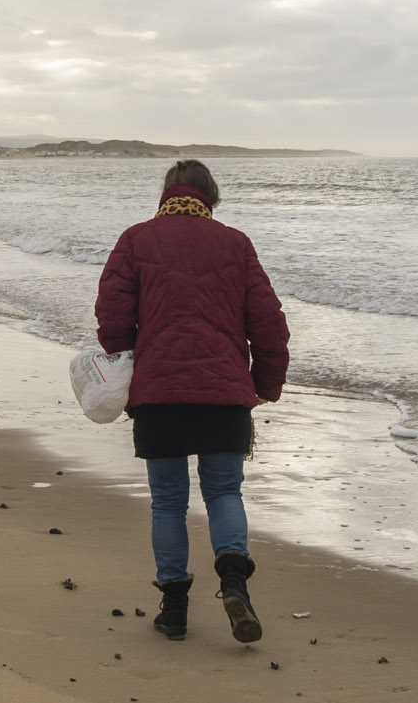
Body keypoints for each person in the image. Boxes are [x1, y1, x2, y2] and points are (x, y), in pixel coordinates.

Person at [94, 159, 289, 644]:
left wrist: (125, 361)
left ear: (166, 194)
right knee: (224, 491)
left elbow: (112, 315)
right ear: (211, 197)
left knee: (168, 502)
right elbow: (269, 324)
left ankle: (175, 610)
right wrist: (265, 383)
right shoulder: (236, 243)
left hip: (159, 393)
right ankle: (234, 580)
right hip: (224, 393)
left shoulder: (136, 239)